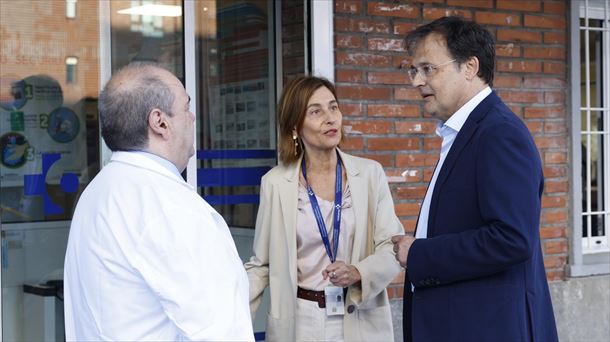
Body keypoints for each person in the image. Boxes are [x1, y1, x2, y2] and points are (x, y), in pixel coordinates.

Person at [391, 16, 558, 342]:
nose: (416, 81)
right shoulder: (468, 131)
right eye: (413, 70)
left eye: (428, 69)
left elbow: (511, 239)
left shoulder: (498, 133)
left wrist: (419, 254)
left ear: (470, 67)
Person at [63, 62, 253, 341]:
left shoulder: (98, 192)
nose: (193, 118)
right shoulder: (172, 209)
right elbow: (221, 332)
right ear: (160, 122)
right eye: (186, 107)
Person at [245, 76, 403, 341]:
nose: (330, 118)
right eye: (316, 111)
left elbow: (391, 247)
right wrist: (224, 312)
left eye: (333, 107)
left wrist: (358, 272)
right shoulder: (275, 183)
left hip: (360, 314)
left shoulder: (370, 174)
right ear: (295, 126)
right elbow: (261, 265)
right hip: (300, 322)